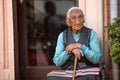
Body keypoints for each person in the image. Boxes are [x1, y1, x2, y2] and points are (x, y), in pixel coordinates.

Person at [47, 7, 102, 80]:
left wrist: (81, 46)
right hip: (67, 71)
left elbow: (96, 58)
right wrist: (70, 51)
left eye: (80, 17)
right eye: (73, 18)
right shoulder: (62, 36)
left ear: (84, 19)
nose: (78, 22)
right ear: (68, 21)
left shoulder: (92, 34)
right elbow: (57, 61)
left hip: (87, 70)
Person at [44, 0, 62, 65]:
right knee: (52, 58)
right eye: (53, 7)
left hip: (54, 41)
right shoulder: (51, 18)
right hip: (53, 42)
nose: (55, 8)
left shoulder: (50, 18)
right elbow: (58, 29)